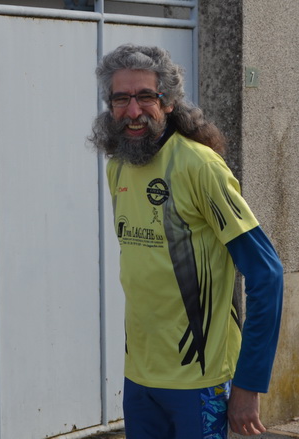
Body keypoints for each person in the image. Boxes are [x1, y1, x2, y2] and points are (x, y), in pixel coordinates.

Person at [90, 44, 283, 438]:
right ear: (110, 106)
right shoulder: (119, 168)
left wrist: (249, 384)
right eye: (121, 98)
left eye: (146, 96)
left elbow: (267, 275)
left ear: (169, 102)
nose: (133, 111)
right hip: (140, 378)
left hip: (200, 379)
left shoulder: (200, 166)